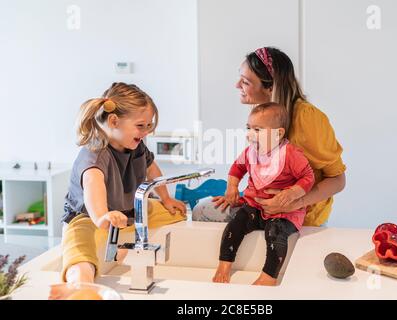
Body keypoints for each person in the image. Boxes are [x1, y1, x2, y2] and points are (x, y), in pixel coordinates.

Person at [50, 82, 186, 299]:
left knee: (177, 212)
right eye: (141, 125)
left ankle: (121, 249)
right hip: (88, 217)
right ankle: (79, 288)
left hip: (125, 210)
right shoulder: (95, 153)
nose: (146, 132)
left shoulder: (135, 145)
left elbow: (152, 169)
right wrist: (102, 215)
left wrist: (167, 199)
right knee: (81, 258)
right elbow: (92, 185)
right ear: (114, 121)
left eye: (149, 126)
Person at [194, 47, 346, 227]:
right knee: (201, 210)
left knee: (202, 213)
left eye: (245, 82)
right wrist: (239, 195)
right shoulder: (263, 115)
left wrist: (294, 202)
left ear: (270, 87)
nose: (237, 86)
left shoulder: (308, 118)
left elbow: (338, 180)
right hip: (263, 210)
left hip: (300, 218)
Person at [212, 102, 314, 286]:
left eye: (257, 129)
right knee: (236, 224)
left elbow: (308, 177)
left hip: (284, 212)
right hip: (255, 207)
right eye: (248, 128)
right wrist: (232, 187)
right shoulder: (251, 151)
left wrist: (291, 193)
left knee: (275, 232)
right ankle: (224, 264)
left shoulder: (290, 154)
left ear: (278, 133)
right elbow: (237, 168)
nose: (250, 134)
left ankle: (269, 276)